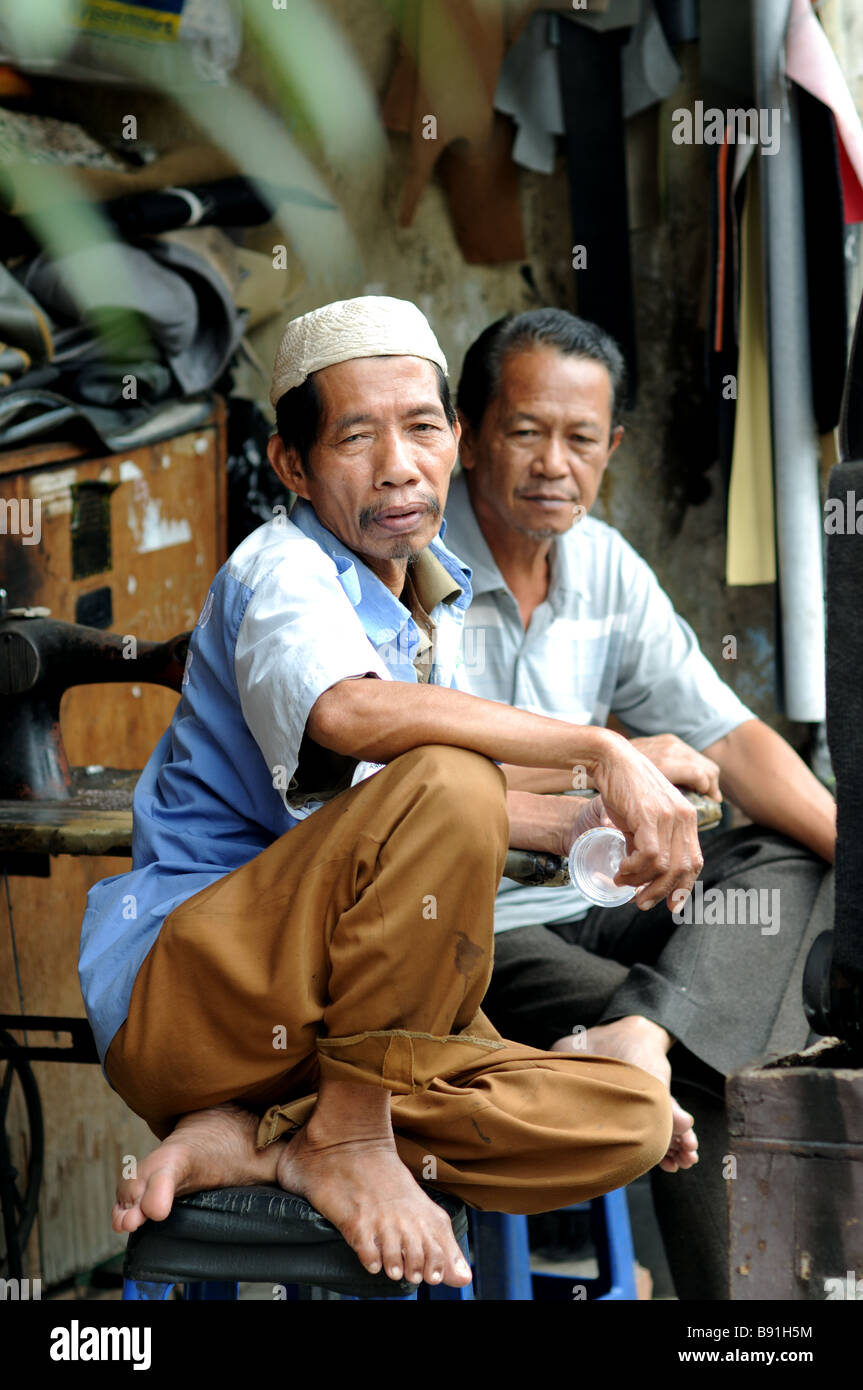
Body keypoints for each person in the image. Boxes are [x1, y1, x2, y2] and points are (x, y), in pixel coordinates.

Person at [79, 296, 703, 1291]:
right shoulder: (282, 570)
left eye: (420, 427)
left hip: (320, 1033)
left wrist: (609, 791)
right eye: (355, 437)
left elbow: (419, 806)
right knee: (447, 775)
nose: (398, 466)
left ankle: (272, 1136)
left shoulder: (420, 587)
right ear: (291, 465)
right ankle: (347, 1136)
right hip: (194, 1000)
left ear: (454, 437)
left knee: (624, 1118)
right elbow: (353, 720)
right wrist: (598, 749)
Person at [443, 306, 837, 1297]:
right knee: (733, 1044)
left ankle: (645, 1032)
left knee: (789, 861)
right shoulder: (417, 571)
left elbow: (730, 735)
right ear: (469, 431)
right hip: (467, 923)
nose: (551, 463)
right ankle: (743, 1324)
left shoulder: (603, 564)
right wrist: (607, 760)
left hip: (597, 901)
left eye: (579, 439)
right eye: (525, 430)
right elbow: (407, 792)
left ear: (610, 446)